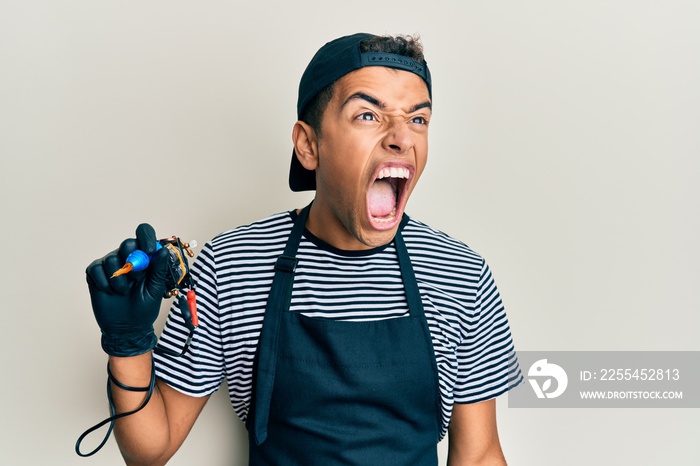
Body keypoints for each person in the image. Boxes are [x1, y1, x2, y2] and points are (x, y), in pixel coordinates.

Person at [85, 32, 523, 466]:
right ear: (309, 145)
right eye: (368, 115)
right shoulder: (232, 265)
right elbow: (150, 449)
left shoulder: (461, 273)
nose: (400, 137)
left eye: (418, 119)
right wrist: (128, 344)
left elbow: (479, 454)